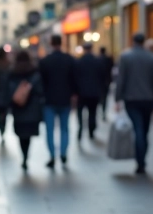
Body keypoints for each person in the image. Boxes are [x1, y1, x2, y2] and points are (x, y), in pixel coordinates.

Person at [116, 33, 153, 175]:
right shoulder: (152, 58)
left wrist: (118, 98)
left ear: (133, 41)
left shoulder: (126, 57)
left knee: (138, 129)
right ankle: (141, 159)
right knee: (144, 130)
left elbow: (121, 79)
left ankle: (140, 160)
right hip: (148, 99)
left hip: (132, 99)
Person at [38, 34, 77, 168]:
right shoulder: (69, 60)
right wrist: (73, 95)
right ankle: (63, 153)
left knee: (50, 130)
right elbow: (74, 80)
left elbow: (41, 82)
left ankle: (52, 155)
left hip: (49, 100)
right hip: (65, 99)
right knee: (65, 128)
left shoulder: (45, 61)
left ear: (51, 43)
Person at [8, 51, 45, 170]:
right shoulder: (34, 71)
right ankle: (26, 156)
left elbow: (7, 89)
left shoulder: (12, 71)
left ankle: (23, 155)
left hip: (18, 109)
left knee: (21, 135)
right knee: (28, 136)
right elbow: (40, 90)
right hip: (32, 109)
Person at [74, 42, 105, 141]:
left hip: (81, 92)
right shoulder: (97, 61)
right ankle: (91, 130)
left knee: (80, 112)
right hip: (94, 92)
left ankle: (81, 128)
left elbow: (75, 77)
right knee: (92, 113)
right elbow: (102, 77)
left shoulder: (79, 61)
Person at [99, 47, 115, 121]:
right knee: (105, 97)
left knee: (102, 97)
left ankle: (102, 110)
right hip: (106, 81)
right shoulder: (108, 59)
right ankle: (103, 111)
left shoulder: (98, 59)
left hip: (101, 82)